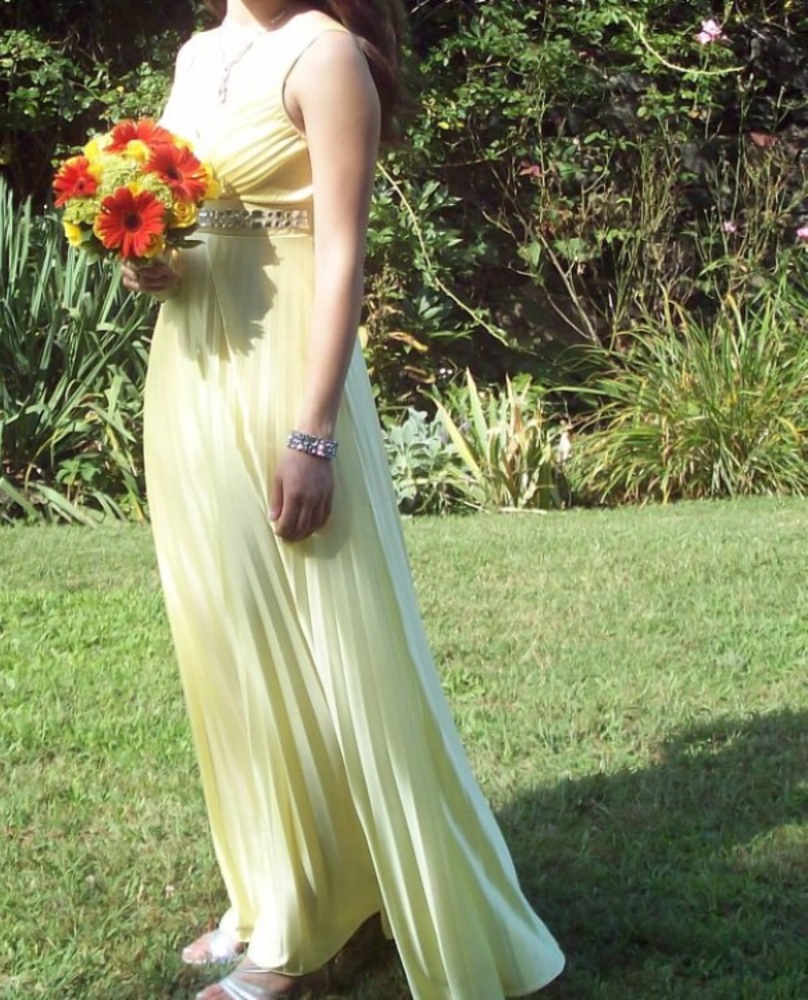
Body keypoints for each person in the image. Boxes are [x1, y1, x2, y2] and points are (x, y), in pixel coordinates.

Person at [121, 2, 566, 998]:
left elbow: (340, 257)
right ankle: (268, 889)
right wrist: (152, 260)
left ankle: (297, 936)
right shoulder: (195, 55)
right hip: (189, 370)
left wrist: (312, 433)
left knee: (330, 647)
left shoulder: (326, 58)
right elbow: (184, 217)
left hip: (287, 387)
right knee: (228, 641)